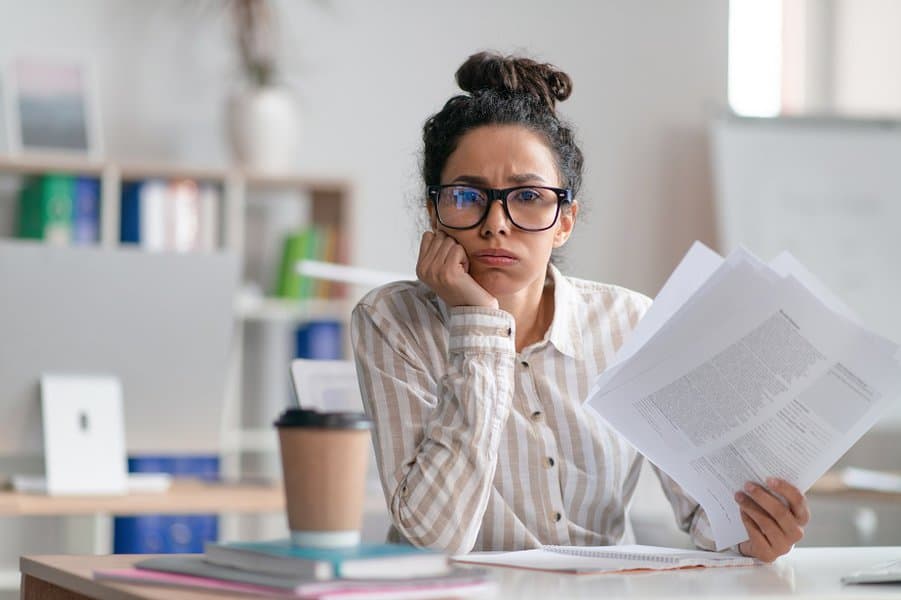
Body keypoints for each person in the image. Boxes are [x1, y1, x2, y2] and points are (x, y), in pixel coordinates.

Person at [351, 51, 809, 561]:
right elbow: (432, 543)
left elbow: (709, 515)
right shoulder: (390, 321)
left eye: (527, 195)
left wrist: (755, 529)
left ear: (565, 219)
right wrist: (477, 324)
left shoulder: (631, 323)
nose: (496, 223)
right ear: (434, 213)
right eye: (466, 196)